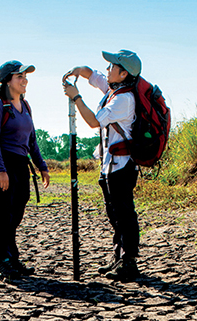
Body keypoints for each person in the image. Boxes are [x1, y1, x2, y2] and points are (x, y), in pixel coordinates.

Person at [62, 50, 141, 281]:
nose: (107, 70)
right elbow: (93, 75)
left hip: (122, 167)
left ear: (123, 73)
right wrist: (78, 70)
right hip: (110, 166)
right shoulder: (114, 90)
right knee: (115, 214)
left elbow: (93, 122)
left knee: (124, 214)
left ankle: (129, 262)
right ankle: (118, 257)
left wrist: (77, 98)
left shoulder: (123, 99)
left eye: (111, 67)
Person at [0, 60, 51, 278]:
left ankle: (11, 256)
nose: (25, 80)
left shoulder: (26, 107)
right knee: (2, 214)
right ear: (7, 81)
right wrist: (0, 170)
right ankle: (2, 260)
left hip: (21, 165)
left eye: (25, 76)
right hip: (1, 164)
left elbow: (32, 140)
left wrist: (42, 166)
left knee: (16, 212)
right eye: (19, 77)